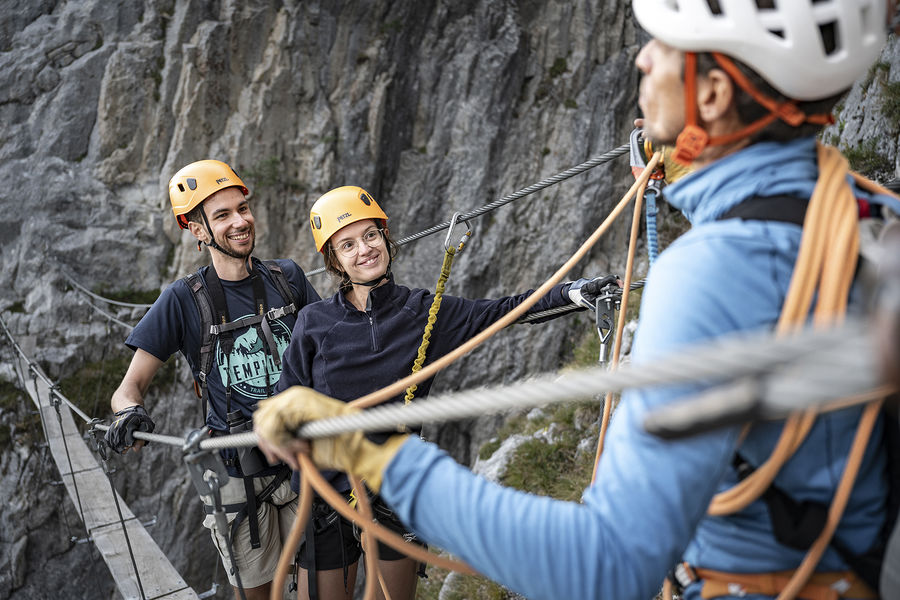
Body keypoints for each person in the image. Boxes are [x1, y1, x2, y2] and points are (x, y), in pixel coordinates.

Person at [255, 2, 900, 600]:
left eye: (665, 45)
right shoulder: (866, 215)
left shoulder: (709, 274)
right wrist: (695, 172)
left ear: (712, 94)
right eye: (347, 244)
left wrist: (376, 457)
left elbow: (606, 565)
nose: (643, 57)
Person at [255, 185, 612, 600]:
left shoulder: (423, 312)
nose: (364, 250)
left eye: (370, 235)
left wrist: (571, 293)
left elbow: (504, 311)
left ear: (386, 238)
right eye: (348, 245)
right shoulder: (314, 322)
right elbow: (287, 399)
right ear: (334, 260)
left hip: (393, 485)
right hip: (326, 495)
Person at [104, 159, 320, 600]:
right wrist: (129, 413)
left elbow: (329, 354)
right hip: (239, 475)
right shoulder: (182, 300)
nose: (240, 221)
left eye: (243, 208)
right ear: (197, 230)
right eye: (222, 215)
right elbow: (128, 388)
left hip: (304, 457)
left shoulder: (289, 279)